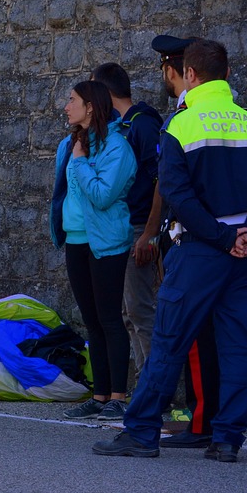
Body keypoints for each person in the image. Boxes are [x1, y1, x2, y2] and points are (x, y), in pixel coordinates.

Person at [94, 39, 247, 462]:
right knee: (236, 345)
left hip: (200, 251)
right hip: (246, 256)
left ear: (192, 75)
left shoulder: (180, 125)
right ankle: (227, 439)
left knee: (168, 341)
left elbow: (178, 195)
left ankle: (142, 432)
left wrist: (220, 237)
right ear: (228, 75)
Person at [50, 80, 138, 421]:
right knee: (91, 321)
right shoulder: (69, 144)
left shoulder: (117, 147)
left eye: (72, 100)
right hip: (75, 240)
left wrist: (82, 162)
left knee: (110, 320)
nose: (66, 106)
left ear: (90, 107)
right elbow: (63, 194)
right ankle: (99, 396)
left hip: (106, 243)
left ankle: (118, 396)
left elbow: (102, 196)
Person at [151, 34, 220, 448]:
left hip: (194, 238)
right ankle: (208, 418)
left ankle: (200, 422)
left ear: (175, 70)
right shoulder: (222, 113)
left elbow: (173, 186)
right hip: (218, 236)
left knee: (194, 336)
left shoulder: (185, 118)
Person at [91, 62, 163, 383]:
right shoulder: (116, 128)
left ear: (106, 93)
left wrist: (149, 234)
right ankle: (142, 383)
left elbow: (163, 181)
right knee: (125, 313)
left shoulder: (143, 126)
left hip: (137, 230)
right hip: (117, 232)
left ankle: (154, 388)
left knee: (140, 309)